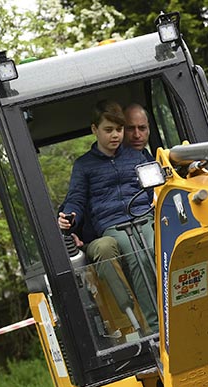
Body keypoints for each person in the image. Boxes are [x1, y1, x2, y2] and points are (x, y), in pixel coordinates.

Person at [59, 100, 158, 330]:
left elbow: (154, 189)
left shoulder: (137, 157)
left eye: (119, 130)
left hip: (145, 217)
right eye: (109, 130)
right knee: (138, 255)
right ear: (95, 130)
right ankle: (153, 326)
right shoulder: (84, 166)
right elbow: (76, 200)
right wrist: (69, 217)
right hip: (114, 225)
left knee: (159, 244)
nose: (116, 135)